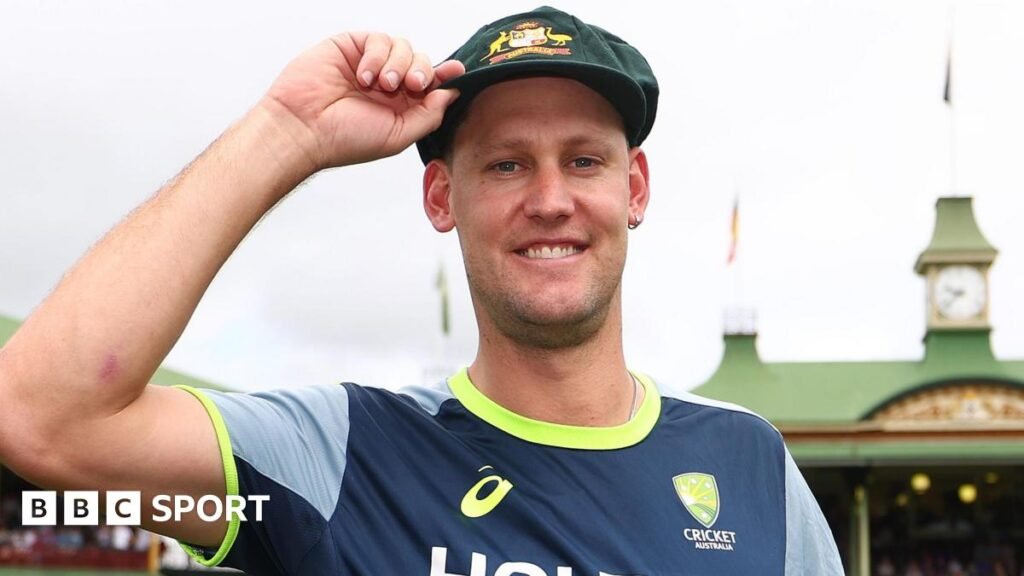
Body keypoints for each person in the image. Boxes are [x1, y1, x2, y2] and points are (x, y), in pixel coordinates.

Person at [0, 6, 842, 575]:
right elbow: (42, 416)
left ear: (637, 188)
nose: (550, 197)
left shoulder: (750, 465)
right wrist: (286, 135)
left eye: (584, 160)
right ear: (442, 197)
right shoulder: (341, 458)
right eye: (506, 163)